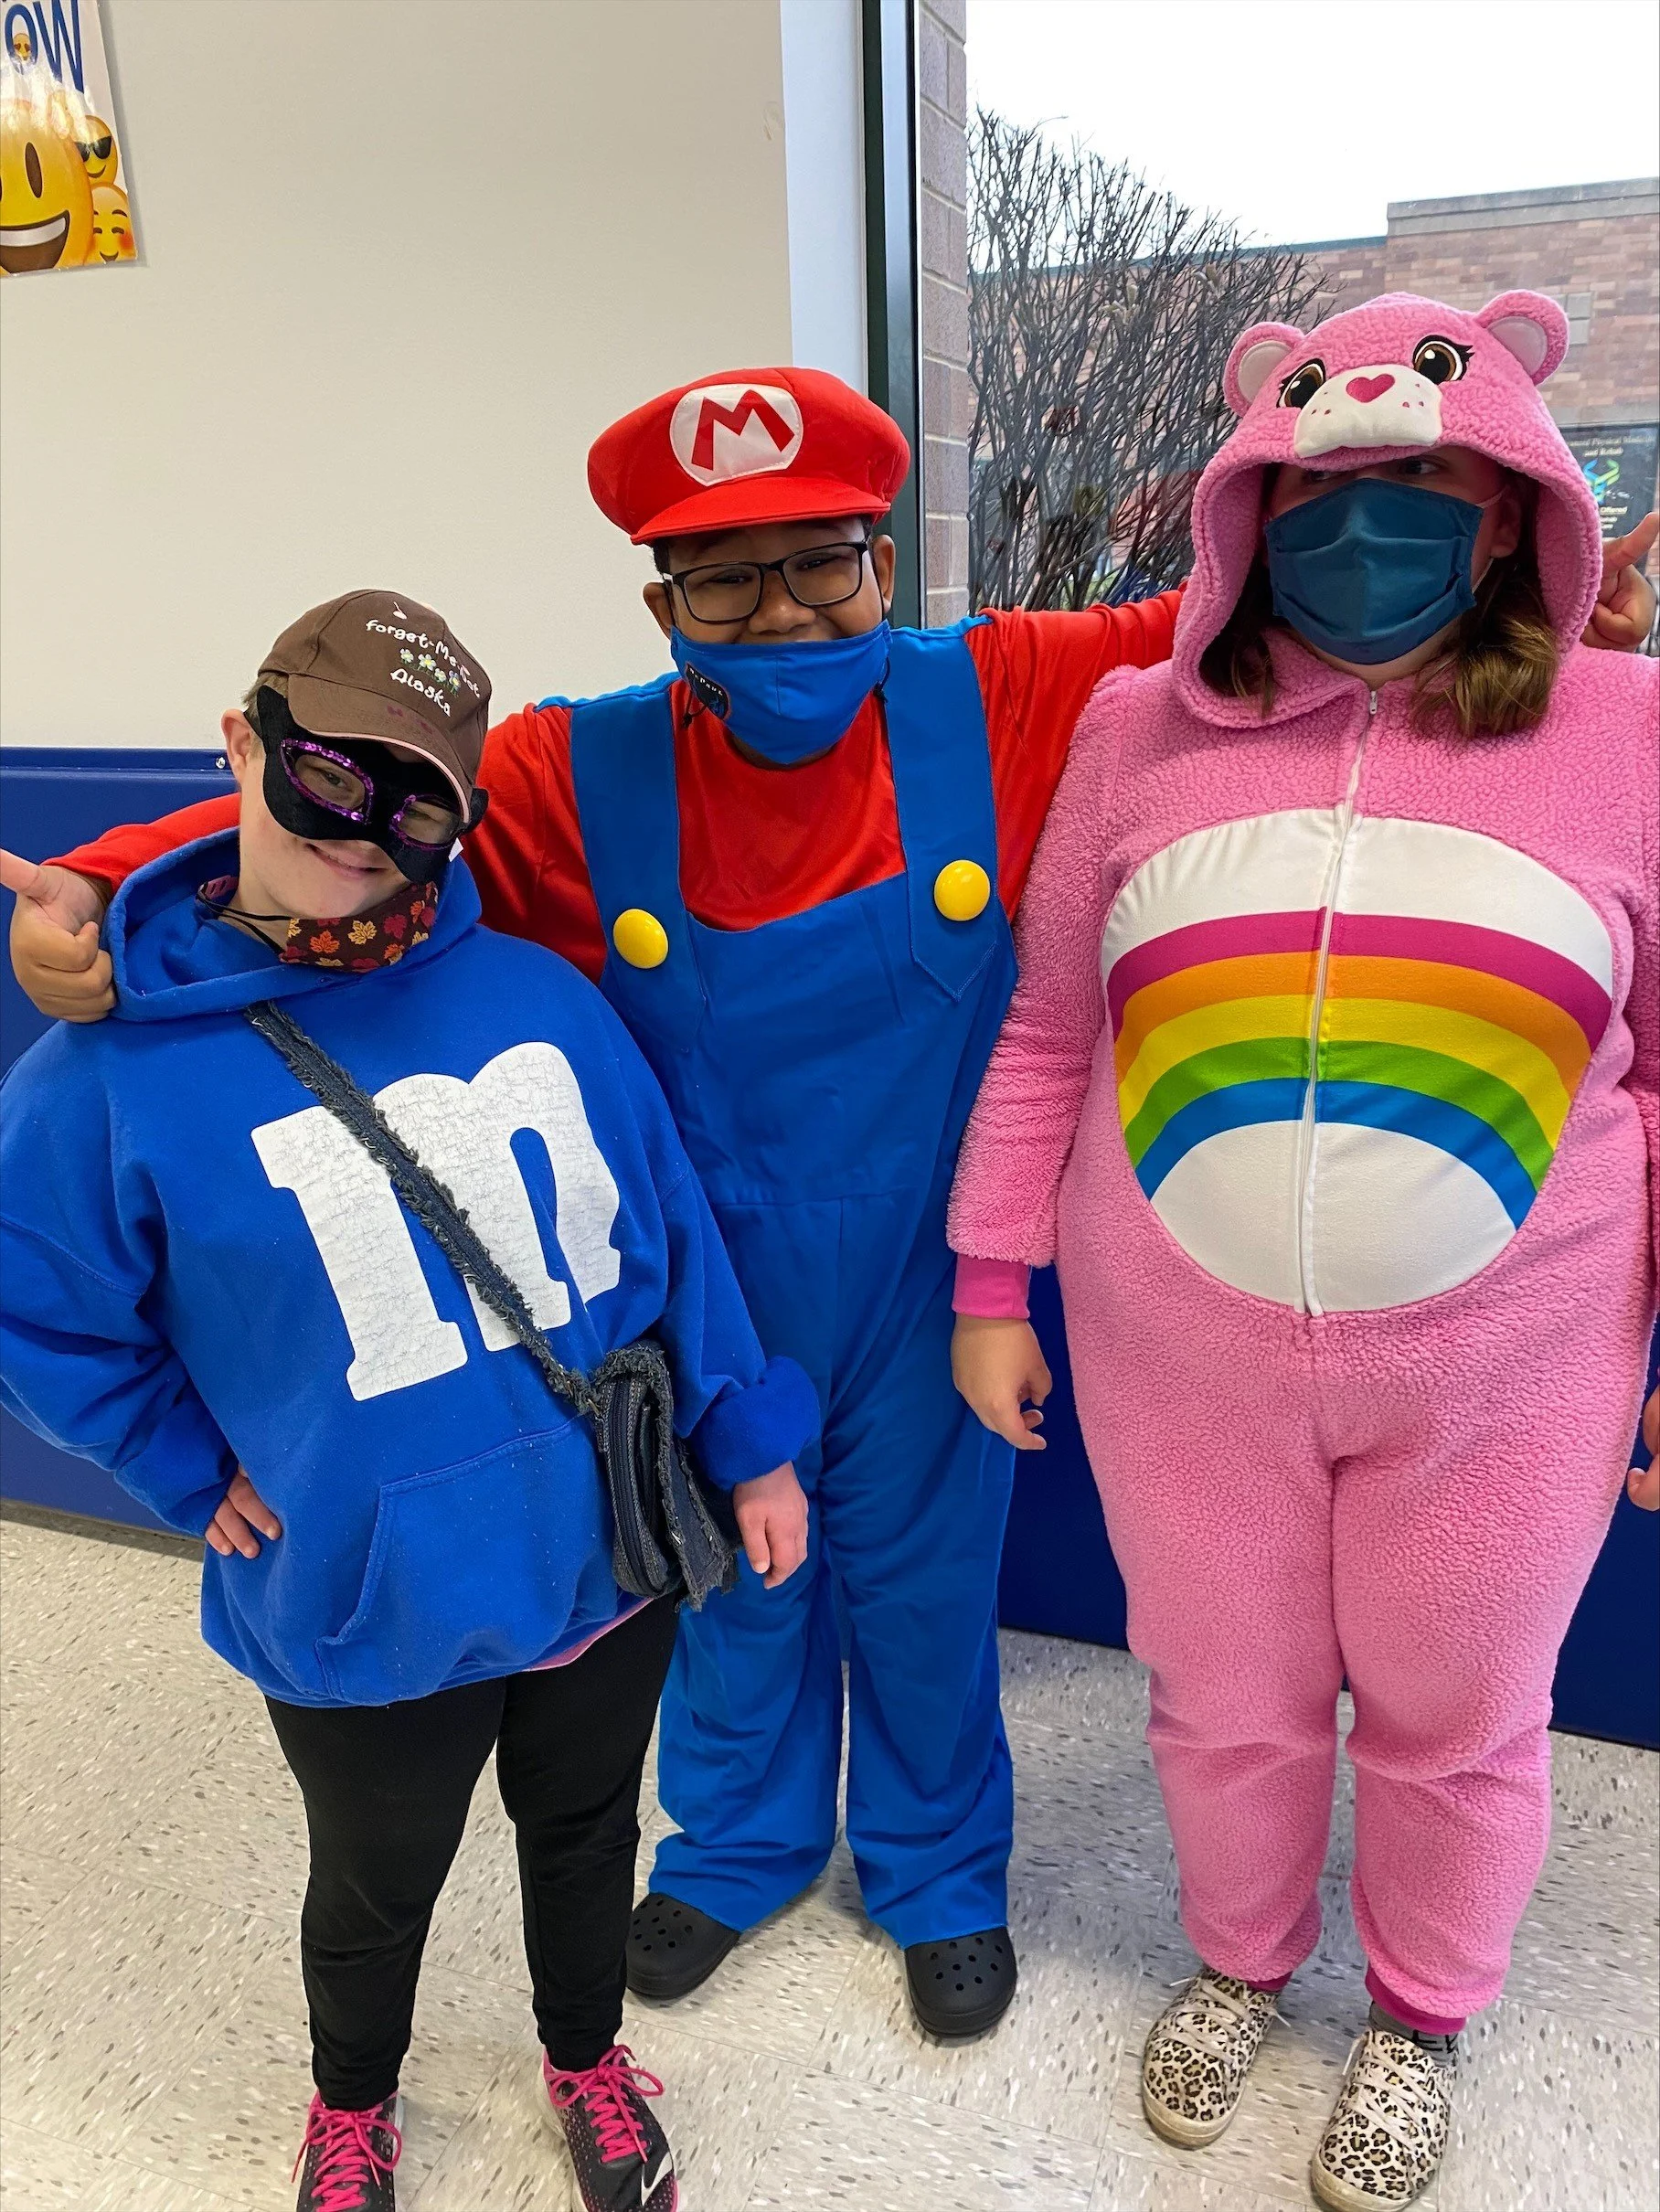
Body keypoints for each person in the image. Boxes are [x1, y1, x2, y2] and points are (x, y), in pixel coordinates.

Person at [4, 368, 1651, 2043]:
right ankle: (738, 1843)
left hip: (932, 1272)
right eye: (726, 581)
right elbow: (353, 788)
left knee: (929, 1583)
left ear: (885, 561)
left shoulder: (1011, 688)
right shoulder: (573, 764)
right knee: (730, 1581)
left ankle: (938, 1869)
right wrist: (107, 877)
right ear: (662, 603)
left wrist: (1535, 604)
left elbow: (1264, 606)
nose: (784, 616)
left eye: (823, 566)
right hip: (704, 1277)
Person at [946, 292, 1659, 2212]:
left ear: (1508, 508)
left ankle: (1421, 2014)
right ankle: (1241, 1961)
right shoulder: (1134, 725)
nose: (1366, 520)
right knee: (1219, 1692)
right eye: (1321, 486)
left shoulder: (1629, 730)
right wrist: (989, 1282)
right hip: (1180, 1346)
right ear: (1249, 506)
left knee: (1459, 1711)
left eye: (1424, 477)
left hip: (1514, 1358)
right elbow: (1049, 1029)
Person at [0, 590, 817, 2212]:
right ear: (242, 745)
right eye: (328, 775)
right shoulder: (99, 1080)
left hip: (599, 1549)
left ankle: (586, 2056)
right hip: (360, 1588)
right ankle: (353, 2104)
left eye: (415, 806)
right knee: (377, 1886)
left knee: (585, 1833)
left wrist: (750, 1443)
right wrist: (178, 1464)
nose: (360, 835)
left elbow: (665, 1233)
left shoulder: (545, 999)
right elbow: (41, 1309)